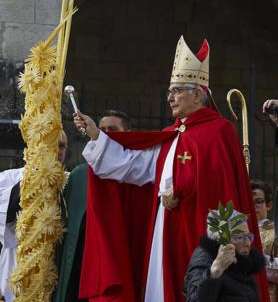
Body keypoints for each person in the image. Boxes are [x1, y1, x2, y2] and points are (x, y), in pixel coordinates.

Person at [74, 36, 269, 302]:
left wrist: (184, 192)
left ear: (198, 94)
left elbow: (222, 189)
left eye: (177, 90)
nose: (170, 97)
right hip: (166, 231)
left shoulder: (219, 131)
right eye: (169, 91)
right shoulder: (171, 135)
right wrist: (96, 135)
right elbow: (135, 167)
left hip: (202, 234)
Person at [54, 110, 130, 302]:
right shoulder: (79, 175)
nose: (105, 134)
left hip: (117, 265)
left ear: (127, 133)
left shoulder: (135, 173)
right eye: (101, 129)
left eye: (112, 129)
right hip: (79, 268)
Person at [0, 131, 67, 302]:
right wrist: (34, 178)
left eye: (61, 146)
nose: (57, 151)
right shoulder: (7, 178)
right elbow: (7, 226)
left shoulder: (70, 181)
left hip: (56, 269)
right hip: (16, 268)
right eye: (51, 144)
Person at [184, 209, 265, 301]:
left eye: (248, 236)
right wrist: (213, 274)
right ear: (217, 239)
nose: (247, 243)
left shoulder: (243, 262)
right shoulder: (204, 261)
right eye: (239, 237)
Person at [251, 179, 278, 302]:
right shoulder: (237, 232)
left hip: (267, 294)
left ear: (269, 205)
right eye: (249, 202)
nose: (253, 206)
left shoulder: (275, 232)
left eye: (259, 202)